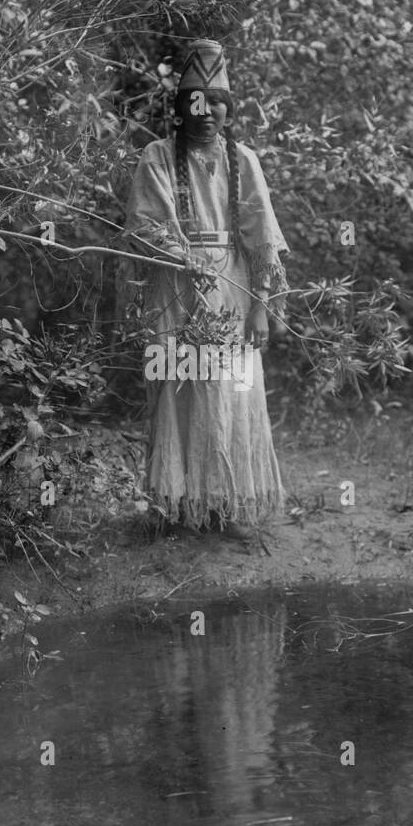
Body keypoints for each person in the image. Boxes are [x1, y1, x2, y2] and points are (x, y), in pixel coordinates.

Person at [123, 39, 289, 535]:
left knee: (231, 392)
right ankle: (177, 507)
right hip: (175, 286)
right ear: (180, 108)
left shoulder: (244, 160)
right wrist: (181, 256)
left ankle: (228, 505)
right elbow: (144, 227)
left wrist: (259, 308)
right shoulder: (157, 157)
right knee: (178, 387)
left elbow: (261, 242)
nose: (206, 111)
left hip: (233, 289)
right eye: (195, 100)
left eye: (216, 101)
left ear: (228, 108)